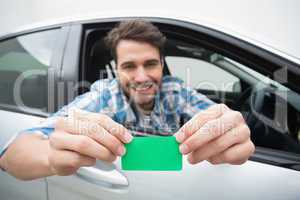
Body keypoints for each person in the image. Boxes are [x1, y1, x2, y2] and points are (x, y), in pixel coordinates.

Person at [0, 20, 254, 180]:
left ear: (162, 64)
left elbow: (222, 121)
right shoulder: (105, 96)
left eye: (151, 64)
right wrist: (49, 156)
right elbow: (10, 155)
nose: (142, 77)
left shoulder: (175, 91)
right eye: (130, 66)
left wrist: (232, 131)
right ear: (117, 68)